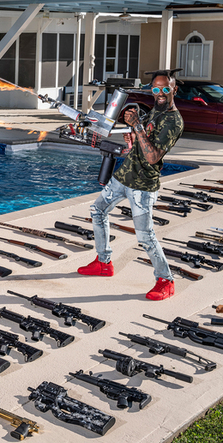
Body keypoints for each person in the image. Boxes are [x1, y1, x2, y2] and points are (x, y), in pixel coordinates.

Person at [77, 70, 185, 301]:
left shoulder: (173, 121)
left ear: (175, 89)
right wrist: (132, 139)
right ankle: (103, 262)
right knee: (97, 210)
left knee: (145, 236)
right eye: (156, 89)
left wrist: (136, 127)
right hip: (124, 176)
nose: (160, 93)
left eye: (166, 88)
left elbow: (153, 157)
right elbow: (141, 144)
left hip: (143, 186)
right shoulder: (155, 110)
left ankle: (165, 280)